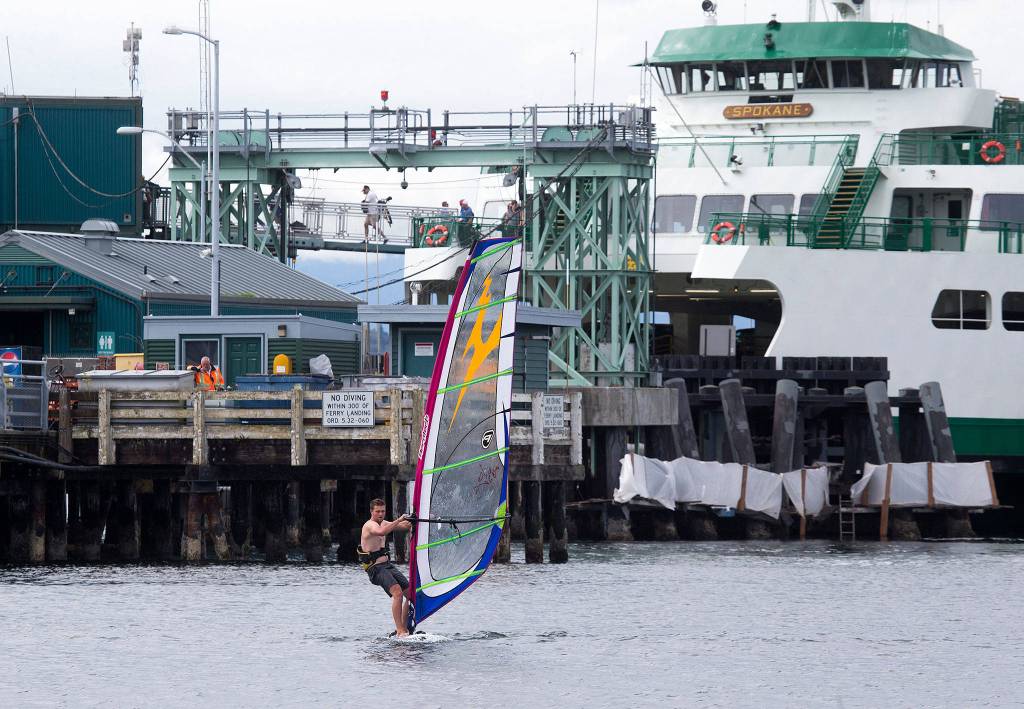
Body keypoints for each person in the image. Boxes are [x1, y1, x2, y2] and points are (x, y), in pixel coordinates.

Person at [359, 498, 413, 636]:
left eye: (383, 511)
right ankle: (400, 630)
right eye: (377, 511)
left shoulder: (384, 523)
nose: (380, 514)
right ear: (371, 511)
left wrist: (415, 518)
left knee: (411, 595)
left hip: (387, 566)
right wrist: (399, 519)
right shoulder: (369, 525)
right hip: (376, 569)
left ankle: (405, 628)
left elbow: (405, 527)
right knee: (397, 593)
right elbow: (382, 532)